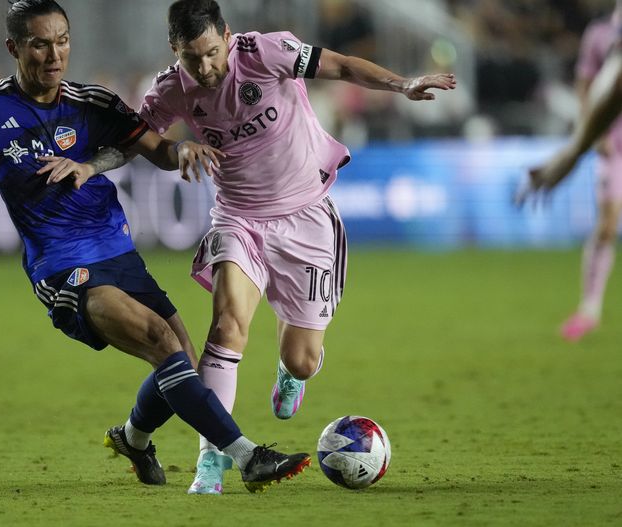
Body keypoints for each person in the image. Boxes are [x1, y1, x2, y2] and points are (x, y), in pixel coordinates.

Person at [0, 0, 311, 494]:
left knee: (182, 357)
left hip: (116, 251)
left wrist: (180, 149)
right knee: (163, 344)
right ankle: (246, 457)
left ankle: (134, 438)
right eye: (40, 43)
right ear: (14, 47)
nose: (54, 55)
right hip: (60, 266)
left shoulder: (92, 103)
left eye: (63, 41)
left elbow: (154, 147)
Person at [135, 0, 455, 494]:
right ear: (175, 50)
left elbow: (342, 66)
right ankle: (212, 461)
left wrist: (402, 83)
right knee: (225, 328)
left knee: (303, 356)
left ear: (227, 34)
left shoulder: (267, 52)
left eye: (211, 53)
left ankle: (293, 373)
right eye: (191, 58)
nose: (205, 67)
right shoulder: (172, 87)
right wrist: (174, 148)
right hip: (238, 216)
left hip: (305, 216)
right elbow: (140, 135)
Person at [520, 4, 622, 342]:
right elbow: (589, 89)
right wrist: (590, 141)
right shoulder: (600, 37)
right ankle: (589, 308)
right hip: (615, 144)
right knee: (607, 225)